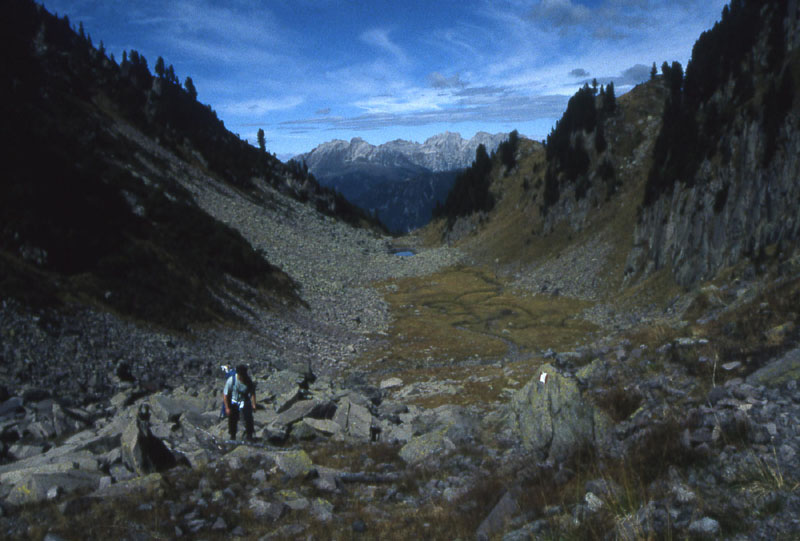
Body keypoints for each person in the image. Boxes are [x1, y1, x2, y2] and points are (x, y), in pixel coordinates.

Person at [222, 364, 257, 441]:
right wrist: (227, 407)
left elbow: (252, 393)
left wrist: (254, 404)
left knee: (248, 419)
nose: (242, 376)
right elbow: (225, 395)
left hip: (245, 401)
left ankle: (249, 435)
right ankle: (232, 436)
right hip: (234, 402)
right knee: (232, 420)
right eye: (241, 374)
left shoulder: (248, 381)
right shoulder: (231, 380)